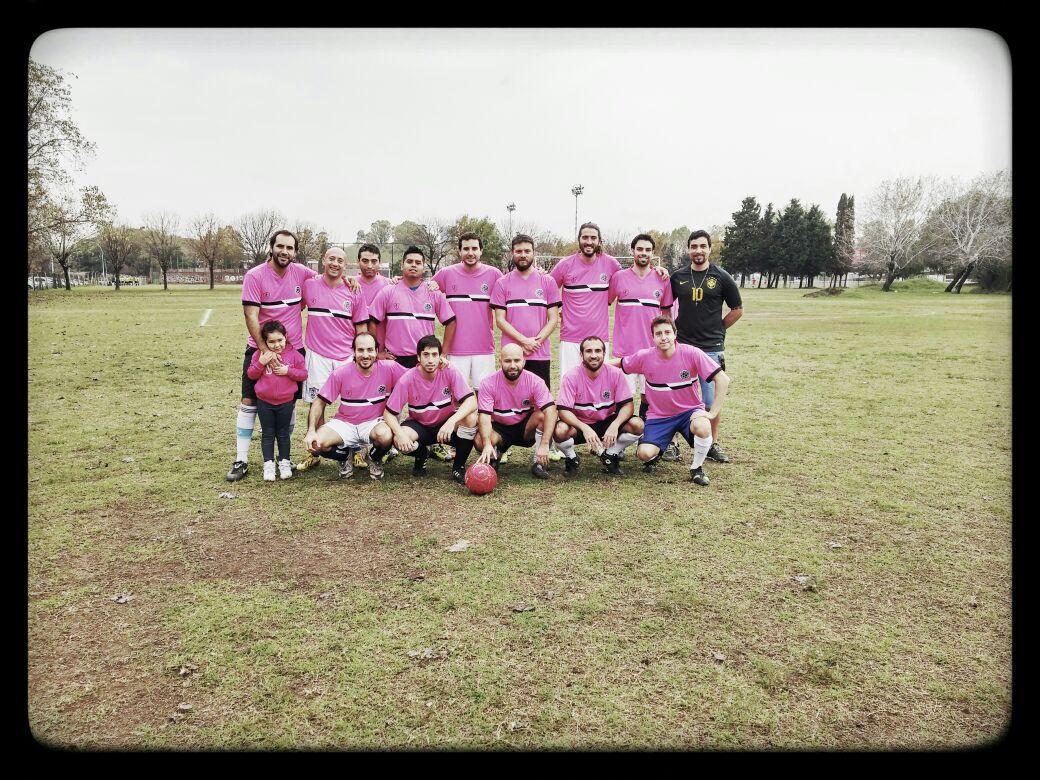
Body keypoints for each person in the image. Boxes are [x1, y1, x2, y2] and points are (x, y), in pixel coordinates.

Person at [228, 229, 315, 482]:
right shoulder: (255, 276)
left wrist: (349, 280)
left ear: (295, 252)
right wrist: (264, 350)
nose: (284, 252)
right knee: (249, 401)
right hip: (260, 349)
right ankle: (241, 459)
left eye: (289, 248)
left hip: (294, 349)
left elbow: (327, 278)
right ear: (272, 247)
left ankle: (283, 459)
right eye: (280, 246)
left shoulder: (301, 272)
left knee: (289, 403)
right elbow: (251, 316)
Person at [608, 315, 730, 486]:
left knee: (702, 427)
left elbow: (723, 379)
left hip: (689, 412)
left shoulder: (692, 353)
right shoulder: (645, 357)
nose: (663, 337)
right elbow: (620, 363)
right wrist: (594, 364)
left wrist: (712, 413)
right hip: (660, 416)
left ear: (675, 334)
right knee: (644, 454)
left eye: (667, 332)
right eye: (658, 334)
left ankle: (696, 468)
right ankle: (660, 448)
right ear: (653, 337)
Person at [550, 222, 668, 380]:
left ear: (599, 241)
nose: (589, 241)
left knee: (600, 387)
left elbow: (633, 275)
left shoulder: (611, 264)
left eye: (593, 238)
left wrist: (656, 270)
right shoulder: (565, 265)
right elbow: (548, 288)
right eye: (585, 237)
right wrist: (557, 307)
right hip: (570, 338)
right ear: (579, 240)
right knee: (570, 385)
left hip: (600, 339)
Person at [668, 229, 743, 463]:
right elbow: (665, 306)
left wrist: (719, 329)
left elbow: (737, 309)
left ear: (710, 249)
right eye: (694, 246)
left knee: (710, 400)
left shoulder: (722, 276)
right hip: (682, 346)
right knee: (676, 397)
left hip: (711, 348)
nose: (698, 250)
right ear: (688, 250)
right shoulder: (678, 276)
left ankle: (712, 443)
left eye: (702, 246)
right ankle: (672, 444)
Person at [295, 247, 369, 472]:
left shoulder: (354, 290)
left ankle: (357, 450)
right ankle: (316, 449)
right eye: (331, 259)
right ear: (323, 261)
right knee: (317, 403)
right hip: (317, 355)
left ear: (346, 266)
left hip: (346, 355)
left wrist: (359, 353)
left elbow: (362, 327)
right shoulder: (310, 285)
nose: (335, 263)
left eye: (340, 260)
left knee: (355, 404)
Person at [303, 332, 406, 480]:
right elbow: (319, 401)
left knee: (386, 436)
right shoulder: (340, 373)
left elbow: (415, 376)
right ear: (353, 351)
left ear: (377, 351)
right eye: (361, 350)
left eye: (370, 350)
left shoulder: (390, 368)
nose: (365, 355)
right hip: (345, 423)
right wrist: (311, 430)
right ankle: (344, 456)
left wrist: (440, 365)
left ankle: (375, 458)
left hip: (374, 423)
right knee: (316, 444)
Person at [382, 335, 479, 483]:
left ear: (440, 357)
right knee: (398, 438)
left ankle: (458, 467)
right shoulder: (407, 379)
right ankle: (422, 454)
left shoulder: (449, 370)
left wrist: (451, 421)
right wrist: (400, 434)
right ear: (418, 357)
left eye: (434, 355)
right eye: (426, 355)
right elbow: (388, 414)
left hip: (445, 425)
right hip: (420, 425)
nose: (430, 360)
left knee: (471, 419)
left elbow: (471, 401)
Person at [553, 336, 643, 477]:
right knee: (560, 430)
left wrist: (615, 424)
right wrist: (584, 428)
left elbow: (628, 405)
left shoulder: (615, 373)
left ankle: (610, 454)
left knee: (637, 425)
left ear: (604, 353)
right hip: (580, 425)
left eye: (597, 351)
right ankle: (571, 458)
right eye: (589, 351)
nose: (593, 355)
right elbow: (563, 411)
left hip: (607, 423)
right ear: (581, 355)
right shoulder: (571, 376)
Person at [609, 233, 674, 421]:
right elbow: (603, 301)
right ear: (632, 251)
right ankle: (619, 443)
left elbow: (667, 314)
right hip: (624, 351)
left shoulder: (662, 279)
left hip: (652, 351)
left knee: (650, 397)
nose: (643, 253)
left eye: (647, 250)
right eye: (639, 249)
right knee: (622, 398)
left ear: (653, 253)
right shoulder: (619, 277)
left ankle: (648, 438)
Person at [474, 343, 559, 479]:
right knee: (479, 440)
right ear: (500, 361)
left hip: (525, 428)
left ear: (524, 361)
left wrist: (544, 444)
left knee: (543, 414)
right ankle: (494, 455)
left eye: (517, 360)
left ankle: (538, 462)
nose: (513, 365)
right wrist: (487, 443)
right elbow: (484, 416)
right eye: (507, 361)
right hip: (500, 429)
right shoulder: (488, 383)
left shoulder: (535, 381)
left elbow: (551, 410)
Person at [432, 231, 502, 389]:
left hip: (484, 348)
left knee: (485, 394)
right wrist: (397, 279)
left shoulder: (494, 274)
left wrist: (538, 273)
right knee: (456, 395)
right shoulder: (446, 274)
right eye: (466, 249)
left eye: (474, 248)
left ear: (481, 250)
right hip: (455, 349)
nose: (470, 253)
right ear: (459, 251)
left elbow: (513, 285)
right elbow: (423, 290)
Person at [490, 234, 561, 388]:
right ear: (512, 253)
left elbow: (554, 319)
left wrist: (535, 343)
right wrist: (524, 341)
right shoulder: (502, 283)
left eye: (527, 251)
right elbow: (500, 320)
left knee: (541, 404)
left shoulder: (547, 281)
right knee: (511, 401)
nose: (523, 255)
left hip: (540, 353)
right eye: (519, 251)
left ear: (533, 253)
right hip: (512, 354)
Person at [368, 246, 457, 368]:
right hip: (395, 359)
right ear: (402, 265)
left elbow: (451, 322)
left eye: (418, 262)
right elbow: (372, 321)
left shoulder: (433, 292)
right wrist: (377, 352)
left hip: (424, 360)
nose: (413, 265)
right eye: (409, 262)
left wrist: (443, 353)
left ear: (424, 267)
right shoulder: (388, 291)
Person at [245, 320, 308, 481]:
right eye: (271, 341)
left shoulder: (294, 355)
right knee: (267, 434)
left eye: (279, 340)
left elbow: (303, 374)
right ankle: (268, 465)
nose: (276, 345)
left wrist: (288, 371)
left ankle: (284, 462)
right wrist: (261, 363)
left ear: (286, 337)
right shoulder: (260, 354)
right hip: (264, 403)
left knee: (283, 434)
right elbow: (251, 374)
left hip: (286, 402)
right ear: (265, 342)